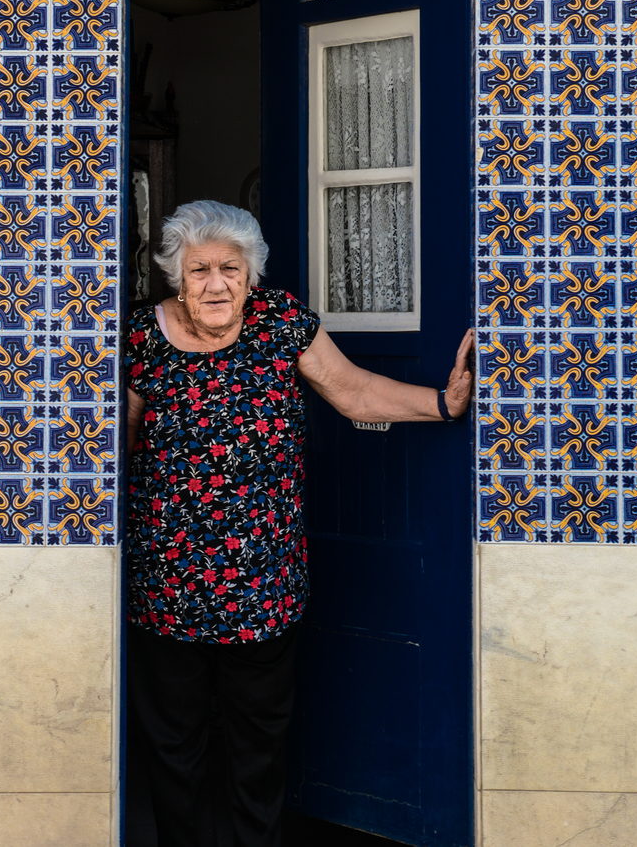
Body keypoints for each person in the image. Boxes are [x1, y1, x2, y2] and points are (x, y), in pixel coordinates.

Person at [124, 199, 473, 847]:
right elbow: (110, 443)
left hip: (263, 590)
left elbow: (354, 391)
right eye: (199, 269)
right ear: (176, 273)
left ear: (252, 273)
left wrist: (443, 405)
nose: (216, 283)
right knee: (174, 748)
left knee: (258, 748)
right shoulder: (143, 337)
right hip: (164, 589)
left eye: (231, 267)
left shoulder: (281, 322)